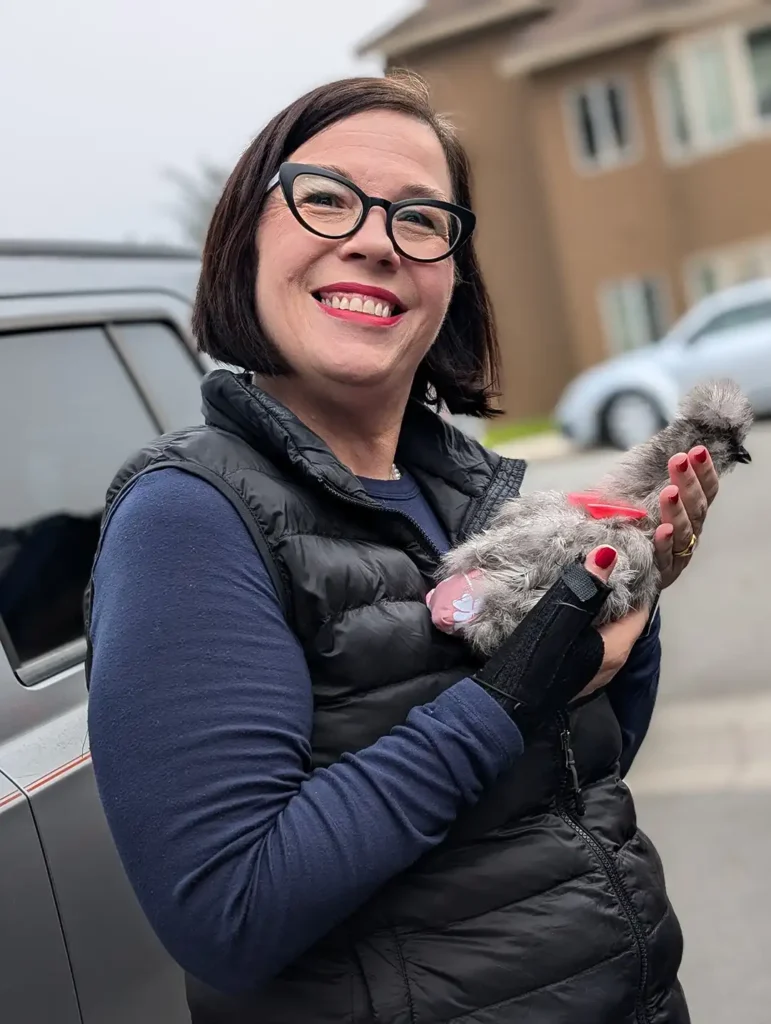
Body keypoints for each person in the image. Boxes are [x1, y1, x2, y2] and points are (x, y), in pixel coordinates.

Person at [86, 72, 717, 1024]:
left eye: (421, 219)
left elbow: (568, 777)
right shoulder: (190, 517)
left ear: (452, 272)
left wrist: (631, 605)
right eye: (328, 199)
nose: (376, 239)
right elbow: (232, 913)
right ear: (246, 238)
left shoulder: (470, 489)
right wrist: (509, 694)